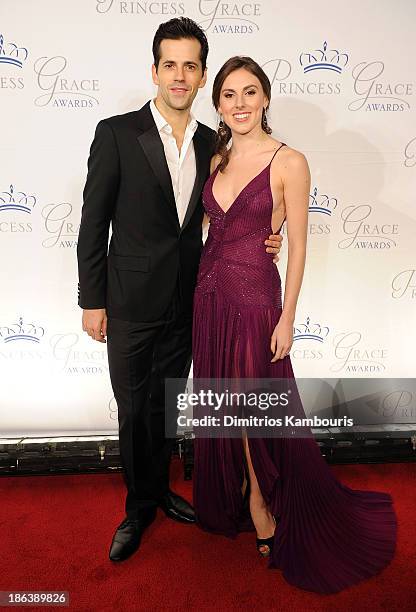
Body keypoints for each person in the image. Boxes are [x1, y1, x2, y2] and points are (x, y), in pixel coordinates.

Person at [76, 19, 282, 563]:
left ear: (201, 74)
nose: (180, 75)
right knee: (133, 408)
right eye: (170, 64)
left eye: (191, 65)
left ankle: (163, 490)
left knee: (167, 407)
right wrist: (91, 300)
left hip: (191, 301)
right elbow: (93, 224)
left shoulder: (217, 144)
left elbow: (234, 211)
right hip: (128, 302)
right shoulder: (116, 133)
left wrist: (268, 239)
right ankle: (137, 506)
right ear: (155, 70)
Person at [192, 56, 397, 594]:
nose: (239, 103)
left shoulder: (290, 161)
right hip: (209, 297)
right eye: (229, 94)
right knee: (224, 403)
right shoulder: (215, 157)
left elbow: (300, 244)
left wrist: (288, 316)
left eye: (249, 92)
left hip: (259, 300)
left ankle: (262, 501)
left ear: (265, 98)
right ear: (218, 104)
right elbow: (216, 229)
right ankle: (240, 490)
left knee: (253, 404)